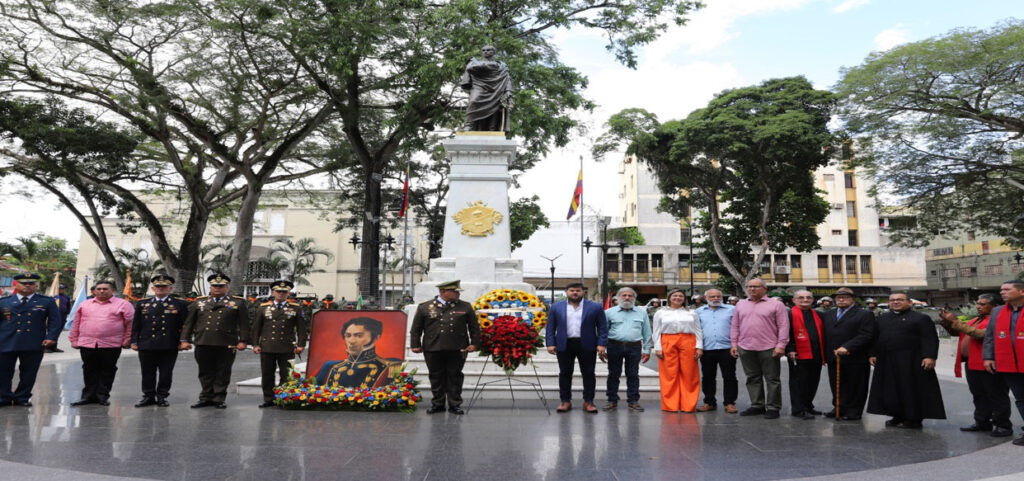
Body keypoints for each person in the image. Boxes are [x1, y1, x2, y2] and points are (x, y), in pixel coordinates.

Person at [867, 291, 946, 428]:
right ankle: (897, 415)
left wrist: (929, 356)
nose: (895, 302)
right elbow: (876, 338)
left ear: (909, 302)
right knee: (891, 389)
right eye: (892, 300)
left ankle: (914, 418)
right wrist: (873, 354)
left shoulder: (921, 318)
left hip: (912, 361)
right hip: (888, 360)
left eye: (899, 300)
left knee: (911, 389)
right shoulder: (882, 318)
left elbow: (930, 339)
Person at [939, 294, 1012, 437]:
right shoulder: (976, 320)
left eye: (983, 304)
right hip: (972, 362)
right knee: (978, 395)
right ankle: (982, 422)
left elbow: (979, 334)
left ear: (995, 306)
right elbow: (958, 332)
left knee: (996, 395)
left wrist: (955, 321)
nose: (978, 306)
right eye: (978, 304)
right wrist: (948, 322)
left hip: (989, 362)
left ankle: (1003, 425)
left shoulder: (998, 320)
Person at [179, 273, 249, 409]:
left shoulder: (238, 302)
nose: (217, 288)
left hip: (226, 342)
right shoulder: (200, 302)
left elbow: (244, 324)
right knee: (204, 371)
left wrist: (243, 341)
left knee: (223, 371)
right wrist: (184, 340)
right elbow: (189, 323)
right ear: (210, 287)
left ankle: (219, 397)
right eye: (214, 286)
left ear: (227, 287)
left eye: (221, 286)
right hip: (203, 341)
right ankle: (205, 397)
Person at [410, 280, 480, 415]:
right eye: (454, 291)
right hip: (433, 347)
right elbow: (416, 328)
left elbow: (474, 328)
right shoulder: (425, 307)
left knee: (455, 376)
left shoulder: (465, 306)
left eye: (457, 291)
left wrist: (474, 343)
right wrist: (415, 345)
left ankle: (455, 404)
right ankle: (438, 404)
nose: (457, 293)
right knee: (436, 376)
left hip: (457, 347)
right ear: (443, 292)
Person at [729, 278, 789, 419]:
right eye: (749, 287)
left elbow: (783, 326)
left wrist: (781, 345)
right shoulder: (740, 304)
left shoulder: (776, 304)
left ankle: (773, 407)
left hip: (769, 347)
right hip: (745, 346)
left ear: (765, 289)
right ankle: (757, 405)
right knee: (752, 378)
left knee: (772, 379)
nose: (752, 289)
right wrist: (734, 344)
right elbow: (735, 325)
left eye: (756, 286)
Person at [0, 273, 62, 407]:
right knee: (3, 372)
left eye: (31, 283)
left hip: (33, 341)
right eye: (23, 283)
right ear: (16, 284)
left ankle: (22, 397)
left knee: (29, 372)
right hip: (6, 341)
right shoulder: (4, 302)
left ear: (36, 286)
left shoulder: (46, 301)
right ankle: (3, 397)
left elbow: (55, 321)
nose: (27, 285)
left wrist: (51, 337)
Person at [69, 280, 134, 407]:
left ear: (112, 290)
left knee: (107, 370)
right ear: (94, 291)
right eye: (99, 289)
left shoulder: (123, 304)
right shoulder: (85, 304)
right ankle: (87, 396)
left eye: (105, 289)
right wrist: (74, 339)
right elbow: (76, 322)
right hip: (87, 343)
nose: (102, 291)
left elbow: (130, 324)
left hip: (111, 344)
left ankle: (102, 396)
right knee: (89, 369)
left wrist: (126, 340)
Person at [546, 282, 608, 413]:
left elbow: (602, 327)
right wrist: (550, 343)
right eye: (572, 290)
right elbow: (550, 326)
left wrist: (602, 343)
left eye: (578, 290)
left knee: (589, 374)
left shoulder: (595, 307)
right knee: (565, 373)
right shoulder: (556, 307)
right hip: (565, 344)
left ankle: (589, 402)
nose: (575, 293)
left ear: (583, 292)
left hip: (587, 344)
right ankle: (565, 401)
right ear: (566, 292)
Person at [130, 274, 189, 407]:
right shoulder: (142, 303)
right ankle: (148, 396)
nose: (160, 288)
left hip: (168, 344)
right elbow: (136, 325)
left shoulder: (179, 304)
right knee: (147, 372)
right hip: (146, 344)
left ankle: (162, 396)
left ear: (170, 288)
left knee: (166, 373)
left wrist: (183, 341)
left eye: (164, 286)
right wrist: (134, 341)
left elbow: (185, 325)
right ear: (153, 288)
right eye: (158, 286)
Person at [822, 287, 875, 420]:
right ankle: (839, 407)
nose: (841, 299)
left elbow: (866, 335)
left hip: (855, 356)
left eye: (845, 297)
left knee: (856, 385)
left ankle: (854, 410)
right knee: (836, 384)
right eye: (838, 297)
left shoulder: (864, 314)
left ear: (853, 299)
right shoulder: (829, 314)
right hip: (834, 356)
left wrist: (847, 347)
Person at [252, 280, 308, 408]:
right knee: (267, 374)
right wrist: (255, 344)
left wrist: (301, 344)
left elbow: (301, 328)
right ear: (273, 292)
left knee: (286, 374)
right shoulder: (263, 308)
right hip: (267, 346)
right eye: (278, 291)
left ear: (288, 293)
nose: (281, 294)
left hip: (287, 346)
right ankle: (268, 398)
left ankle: (282, 398)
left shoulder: (296, 308)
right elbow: (256, 328)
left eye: (284, 292)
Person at [983, 280, 1024, 446]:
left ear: (1021, 292)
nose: (1002, 292)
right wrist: (988, 357)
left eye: (1007, 289)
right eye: (1001, 289)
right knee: (1021, 399)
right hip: (1009, 363)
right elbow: (990, 336)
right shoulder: (998, 311)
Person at [603, 287, 653, 413]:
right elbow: (603, 332)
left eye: (630, 295)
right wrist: (602, 347)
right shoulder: (609, 312)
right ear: (618, 298)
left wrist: (647, 350)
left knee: (633, 374)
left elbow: (647, 332)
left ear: (634, 298)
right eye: (624, 295)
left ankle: (633, 401)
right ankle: (612, 400)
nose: (627, 297)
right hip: (614, 345)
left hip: (634, 347)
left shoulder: (641, 313)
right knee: (613, 374)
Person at [315, 317, 399, 389]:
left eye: (359, 336)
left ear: (376, 337)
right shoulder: (330, 366)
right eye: (348, 336)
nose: (351, 341)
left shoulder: (391, 365)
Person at [653, 288, 702, 413]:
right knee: (669, 374)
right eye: (675, 296)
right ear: (669, 298)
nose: (678, 298)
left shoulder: (691, 312)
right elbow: (656, 332)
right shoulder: (660, 312)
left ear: (684, 299)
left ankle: (688, 405)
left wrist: (699, 346)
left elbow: (698, 330)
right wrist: (658, 348)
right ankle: (671, 405)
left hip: (688, 340)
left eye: (680, 296)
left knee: (689, 373)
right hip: (668, 340)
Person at [695, 288, 738, 413]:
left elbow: (737, 328)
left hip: (727, 349)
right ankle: (709, 402)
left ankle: (729, 403)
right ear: (706, 297)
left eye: (718, 296)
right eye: (712, 296)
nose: (715, 299)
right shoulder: (698, 312)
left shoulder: (732, 310)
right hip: (707, 349)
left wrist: (736, 345)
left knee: (729, 376)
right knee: (708, 377)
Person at [785, 290, 826, 420]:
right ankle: (798, 409)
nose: (805, 300)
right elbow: (785, 333)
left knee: (813, 382)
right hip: (797, 354)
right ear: (794, 300)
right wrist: (790, 349)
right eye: (801, 297)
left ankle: (808, 406)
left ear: (813, 300)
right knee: (799, 383)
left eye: (808, 297)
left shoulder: (819, 314)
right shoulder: (789, 315)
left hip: (816, 353)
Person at [460, 45, 512, 132]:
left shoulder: (501, 65)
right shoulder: (474, 63)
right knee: (473, 102)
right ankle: (468, 125)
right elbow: (470, 68)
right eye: (483, 50)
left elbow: (507, 79)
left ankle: (492, 129)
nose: (485, 52)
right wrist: (475, 62)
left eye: (488, 50)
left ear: (493, 52)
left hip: (497, 88)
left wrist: (508, 90)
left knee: (495, 108)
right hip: (479, 86)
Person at [48, 283, 71, 353]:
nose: (62, 290)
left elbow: (68, 306)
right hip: (54, 316)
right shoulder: (54, 296)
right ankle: (47, 347)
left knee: (58, 332)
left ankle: (54, 347)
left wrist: (67, 312)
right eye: (60, 289)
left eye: (63, 289)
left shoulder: (66, 297)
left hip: (62, 316)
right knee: (52, 331)